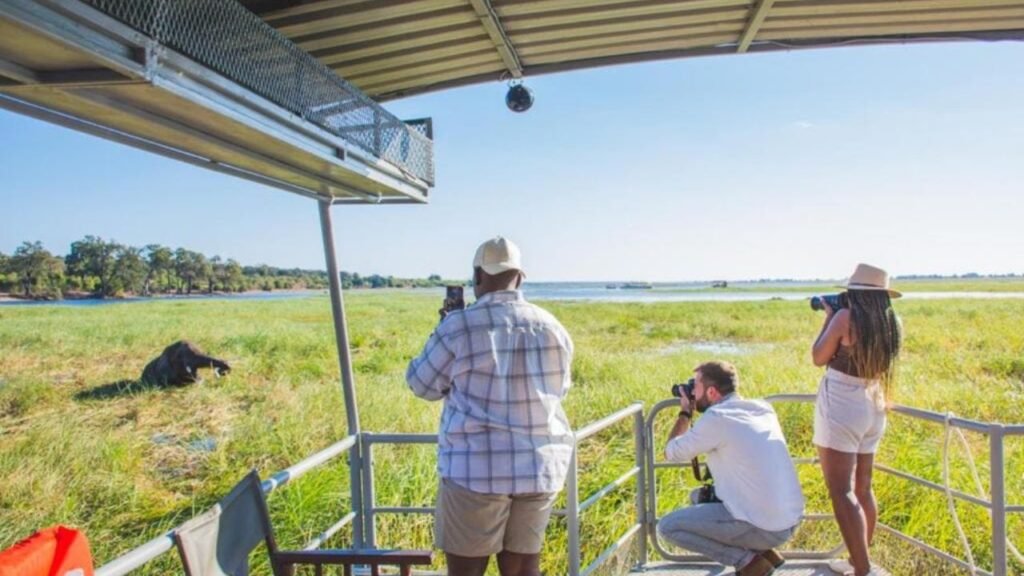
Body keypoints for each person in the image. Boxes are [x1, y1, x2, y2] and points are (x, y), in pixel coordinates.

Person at [406, 236, 574, 576]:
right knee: (524, 567)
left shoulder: (458, 326)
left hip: (475, 469)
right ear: (521, 277)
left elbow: (421, 385)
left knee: (467, 571)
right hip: (539, 467)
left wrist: (441, 327)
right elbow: (560, 390)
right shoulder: (553, 326)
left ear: (477, 277)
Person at [658, 361, 805, 576]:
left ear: (711, 391)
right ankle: (765, 552)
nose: (691, 391)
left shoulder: (717, 418)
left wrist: (686, 412)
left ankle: (748, 562)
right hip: (789, 520)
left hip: (766, 526)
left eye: (695, 386)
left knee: (668, 527)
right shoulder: (763, 408)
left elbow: (671, 452)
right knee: (699, 497)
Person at [812, 264, 902, 576]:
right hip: (874, 403)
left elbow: (818, 357)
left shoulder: (843, 318)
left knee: (841, 490)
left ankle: (861, 569)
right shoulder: (891, 322)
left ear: (856, 293)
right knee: (863, 488)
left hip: (842, 405)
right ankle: (858, 562)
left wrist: (828, 318)